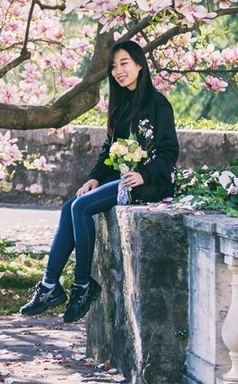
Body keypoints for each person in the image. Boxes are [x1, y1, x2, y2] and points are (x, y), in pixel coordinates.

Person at [19, 40, 179, 323]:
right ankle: (49, 286)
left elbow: (169, 151)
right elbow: (109, 151)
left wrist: (145, 174)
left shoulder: (158, 103)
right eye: (114, 66)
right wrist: (94, 178)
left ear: (140, 65)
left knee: (80, 208)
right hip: (123, 179)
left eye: (124, 63)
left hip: (150, 183)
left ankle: (82, 285)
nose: (118, 71)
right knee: (71, 204)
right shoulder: (120, 107)